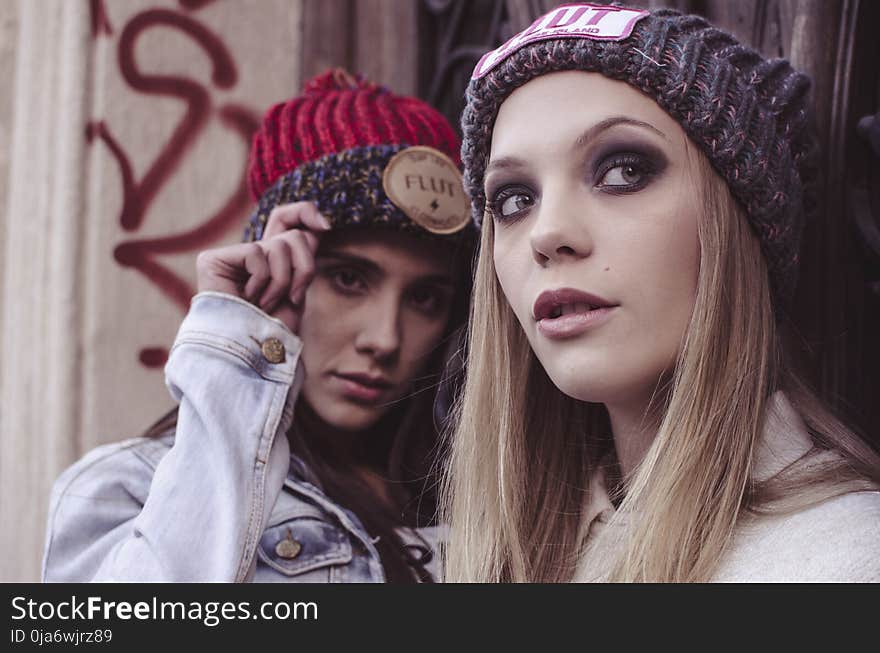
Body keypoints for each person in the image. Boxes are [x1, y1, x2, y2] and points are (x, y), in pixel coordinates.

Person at [441, 3, 880, 582]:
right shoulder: (493, 555)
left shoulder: (846, 562)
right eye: (515, 199)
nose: (547, 235)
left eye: (623, 171)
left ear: (738, 226)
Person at [42, 69, 476, 583]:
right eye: (348, 279)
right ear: (272, 270)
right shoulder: (127, 488)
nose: (384, 339)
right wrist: (242, 349)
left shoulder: (482, 496)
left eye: (425, 298)